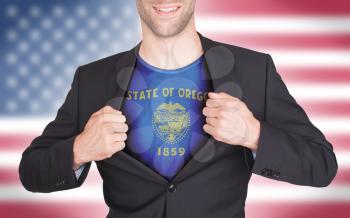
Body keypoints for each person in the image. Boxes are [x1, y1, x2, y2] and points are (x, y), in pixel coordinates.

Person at [19, 0, 338, 217]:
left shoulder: (254, 70)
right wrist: (79, 149)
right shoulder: (92, 79)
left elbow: (322, 165)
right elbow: (31, 171)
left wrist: (253, 134)